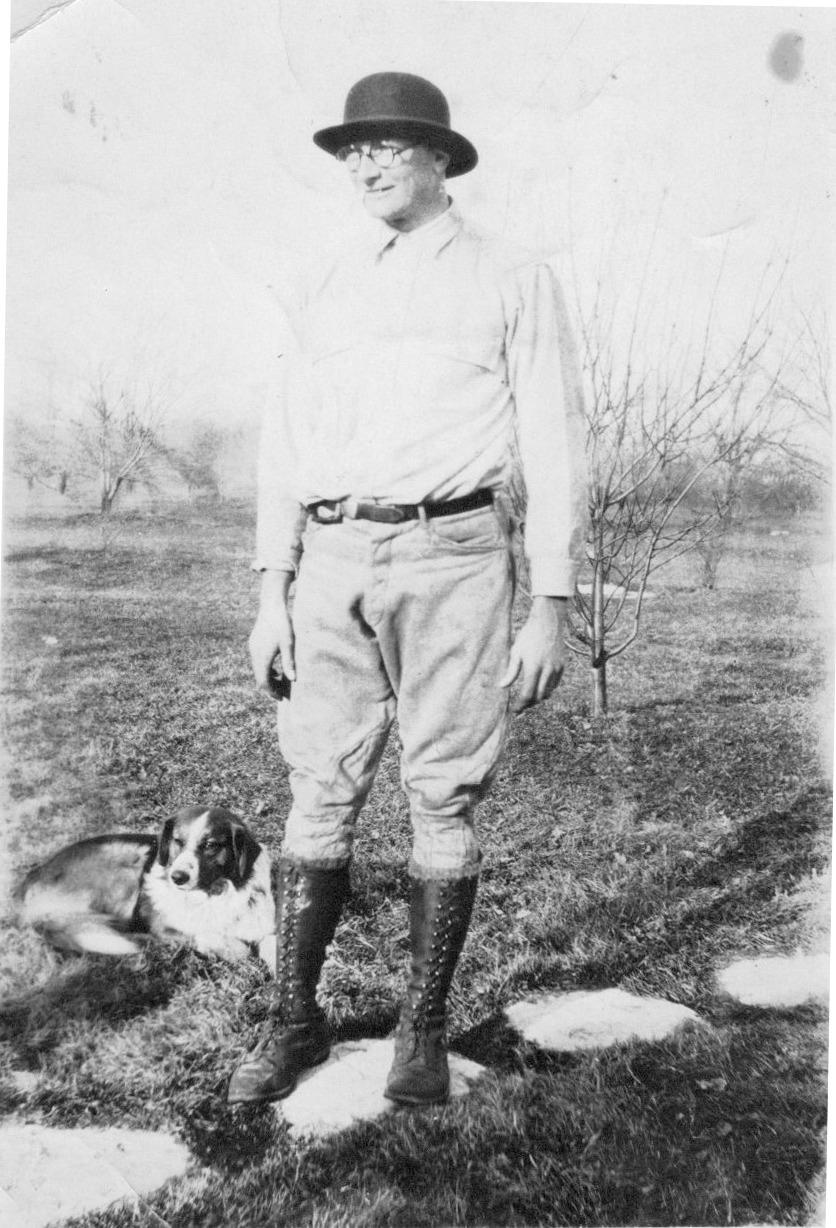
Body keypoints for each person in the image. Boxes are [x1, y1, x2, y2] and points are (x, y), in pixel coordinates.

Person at [227, 72, 587, 1108]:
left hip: (456, 557)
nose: (366, 164)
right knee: (318, 789)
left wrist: (549, 602)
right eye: (350, 150)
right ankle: (295, 1019)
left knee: (442, 790)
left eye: (387, 145)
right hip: (331, 561)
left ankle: (420, 1028)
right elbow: (282, 446)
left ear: (439, 157)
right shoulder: (322, 279)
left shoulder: (511, 276)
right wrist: (270, 590)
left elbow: (555, 444)